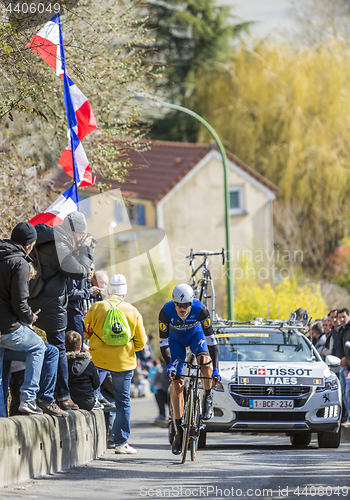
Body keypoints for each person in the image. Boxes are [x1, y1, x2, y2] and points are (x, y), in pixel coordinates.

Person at [28, 212, 94, 411]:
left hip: (37, 299)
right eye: (81, 235)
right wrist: (86, 248)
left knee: (39, 349)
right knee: (59, 350)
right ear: (74, 232)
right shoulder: (59, 245)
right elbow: (80, 270)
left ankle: (39, 396)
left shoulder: (48, 239)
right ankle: (61, 397)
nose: (81, 238)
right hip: (51, 304)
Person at [84, 273, 147, 454]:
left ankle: (92, 440)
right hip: (123, 362)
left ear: (109, 291)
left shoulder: (97, 307)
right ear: (124, 294)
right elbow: (141, 343)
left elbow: (86, 332)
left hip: (98, 360)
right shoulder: (133, 311)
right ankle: (121, 443)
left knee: (92, 398)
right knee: (123, 402)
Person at [158, 283, 221, 455]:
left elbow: (212, 342)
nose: (182, 308)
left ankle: (207, 396)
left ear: (191, 303)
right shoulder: (165, 312)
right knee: (177, 383)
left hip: (195, 336)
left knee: (204, 360)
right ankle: (179, 432)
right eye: (179, 305)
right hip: (175, 341)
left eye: (186, 305)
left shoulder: (201, 311)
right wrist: (170, 364)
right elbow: (163, 343)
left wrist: (216, 369)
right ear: (174, 303)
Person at [0, 222, 46, 415]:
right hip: (8, 327)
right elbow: (19, 302)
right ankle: (28, 398)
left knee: (1, 377)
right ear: (28, 244)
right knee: (38, 347)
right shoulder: (20, 263)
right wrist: (30, 316)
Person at [1, 343, 68, 417]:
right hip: (20, 364)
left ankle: (3, 419)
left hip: (9, 353)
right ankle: (43, 399)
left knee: (3, 390)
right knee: (51, 351)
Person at [65, 330, 100, 410]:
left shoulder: (62, 363)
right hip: (87, 402)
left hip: (68, 402)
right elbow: (96, 384)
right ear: (80, 347)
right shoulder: (88, 363)